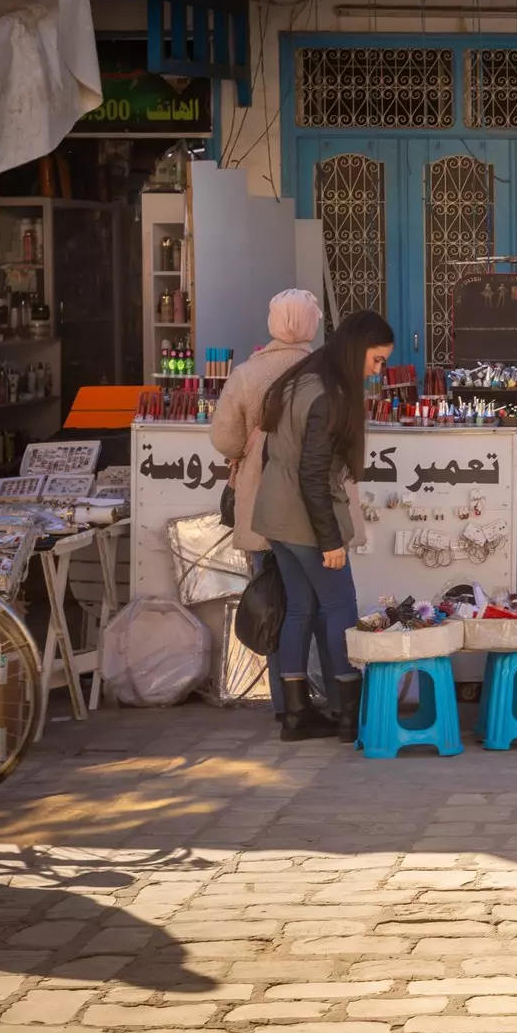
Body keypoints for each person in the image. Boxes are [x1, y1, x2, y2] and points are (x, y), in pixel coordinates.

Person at [251, 310, 395, 745]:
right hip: (307, 521)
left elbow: (273, 453)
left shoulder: (300, 380)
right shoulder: (329, 395)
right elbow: (313, 473)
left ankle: (297, 714)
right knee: (340, 608)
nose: (378, 370)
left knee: (299, 608)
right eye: (376, 360)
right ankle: (351, 712)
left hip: (276, 515)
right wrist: (329, 540)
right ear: (356, 351)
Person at [210, 290, 330, 738]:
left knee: (276, 605)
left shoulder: (247, 373)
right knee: (322, 604)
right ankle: (333, 700)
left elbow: (225, 440)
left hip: (262, 503)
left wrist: (251, 447)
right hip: (314, 506)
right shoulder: (325, 371)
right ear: (312, 323)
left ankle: (288, 705)